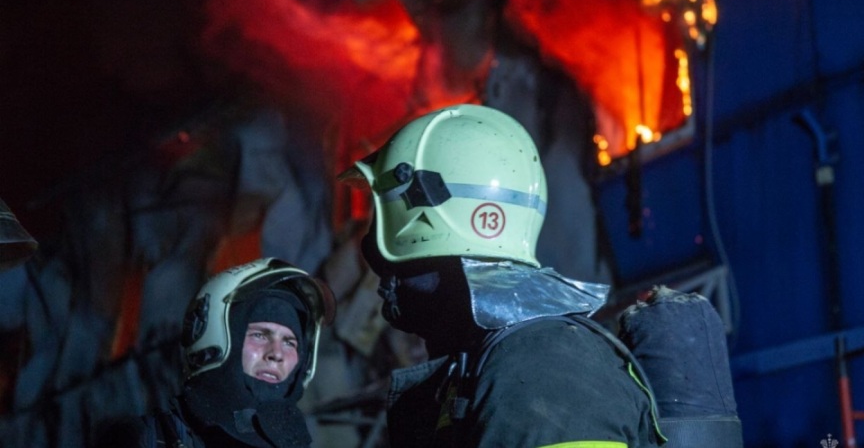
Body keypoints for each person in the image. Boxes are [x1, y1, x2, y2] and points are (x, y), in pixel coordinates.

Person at [340, 103, 664, 447]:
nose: (371, 253)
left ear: (428, 218)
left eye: (382, 218)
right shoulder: (492, 358)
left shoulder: (544, 367)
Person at [94, 257, 335, 447]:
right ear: (214, 335)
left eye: (290, 343)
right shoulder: (142, 440)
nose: (276, 354)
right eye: (260, 335)